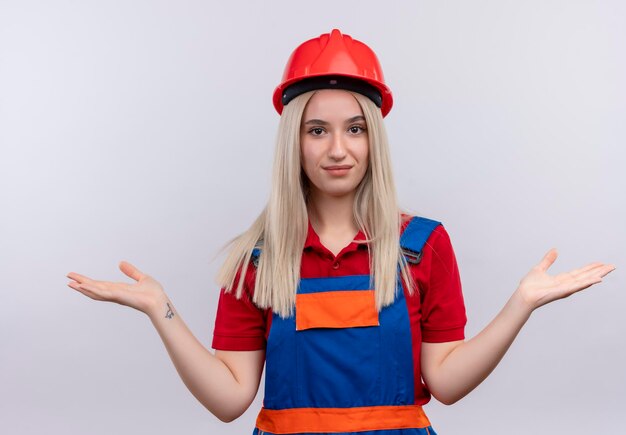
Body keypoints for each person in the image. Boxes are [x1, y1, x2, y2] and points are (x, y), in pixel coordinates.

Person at [66, 29, 615, 435]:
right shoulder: (255, 262)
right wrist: (161, 310)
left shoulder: (422, 247)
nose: (337, 149)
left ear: (374, 138)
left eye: (355, 129)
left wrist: (520, 304)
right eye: (317, 130)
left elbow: (445, 383)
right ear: (293, 142)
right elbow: (231, 397)